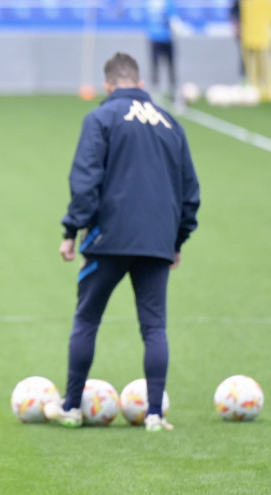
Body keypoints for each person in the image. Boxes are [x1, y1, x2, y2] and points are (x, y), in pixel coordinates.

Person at [44, 52, 200, 433]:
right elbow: (189, 193)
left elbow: (85, 180)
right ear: (141, 84)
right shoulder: (171, 124)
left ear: (108, 86)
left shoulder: (101, 117)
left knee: (86, 320)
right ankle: (154, 415)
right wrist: (176, 239)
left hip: (107, 239)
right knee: (154, 327)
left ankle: (71, 407)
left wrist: (71, 231)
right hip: (157, 242)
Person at [145, 0, 180, 100]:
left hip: (156, 38)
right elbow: (173, 20)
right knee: (169, 66)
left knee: (159, 66)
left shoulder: (150, 3)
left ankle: (161, 92)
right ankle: (170, 92)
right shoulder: (167, 3)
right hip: (165, 37)